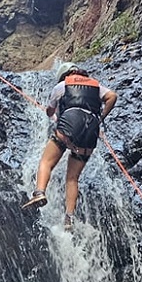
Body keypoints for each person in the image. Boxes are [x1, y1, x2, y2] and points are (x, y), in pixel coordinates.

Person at [22, 62, 118, 231]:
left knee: (46, 162)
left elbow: (50, 111)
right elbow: (112, 96)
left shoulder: (62, 85)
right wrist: (100, 118)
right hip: (91, 129)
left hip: (70, 122)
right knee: (72, 178)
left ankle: (39, 193)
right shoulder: (95, 85)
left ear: (64, 75)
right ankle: (69, 218)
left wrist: (51, 113)